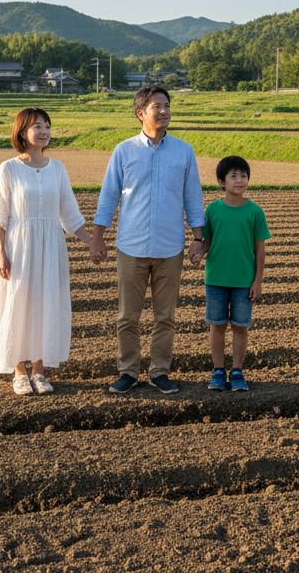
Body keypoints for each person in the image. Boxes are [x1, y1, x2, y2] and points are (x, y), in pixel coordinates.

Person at [90, 85, 205, 394]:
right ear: (141, 113)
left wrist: (198, 238)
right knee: (128, 316)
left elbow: (192, 197)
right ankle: (128, 371)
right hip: (131, 246)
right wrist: (97, 237)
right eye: (157, 106)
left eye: (167, 105)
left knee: (165, 316)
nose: (164, 111)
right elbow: (109, 196)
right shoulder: (123, 150)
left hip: (170, 248)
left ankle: (159, 371)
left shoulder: (184, 151)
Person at [0, 107, 92, 395]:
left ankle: (39, 371)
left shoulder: (57, 168)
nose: (44, 131)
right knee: (18, 302)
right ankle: (18, 371)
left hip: (51, 246)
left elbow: (70, 213)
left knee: (47, 301)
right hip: (18, 245)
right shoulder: (8, 168)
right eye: (37, 126)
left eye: (47, 125)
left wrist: (92, 242)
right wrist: (1, 253)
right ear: (22, 132)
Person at [192, 155, 270, 392]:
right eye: (233, 176)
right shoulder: (213, 209)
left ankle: (237, 371)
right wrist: (199, 253)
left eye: (243, 176)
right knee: (217, 325)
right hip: (216, 279)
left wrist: (257, 281)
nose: (239, 180)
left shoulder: (255, 212)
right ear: (221, 182)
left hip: (243, 281)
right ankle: (218, 371)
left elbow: (260, 249)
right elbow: (208, 241)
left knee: (240, 326)